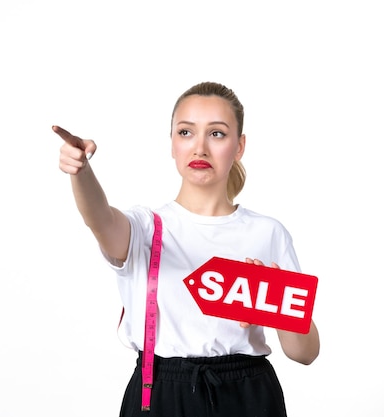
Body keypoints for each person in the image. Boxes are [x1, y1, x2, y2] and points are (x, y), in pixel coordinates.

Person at [52, 81, 320, 417]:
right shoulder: (146, 228)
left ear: (239, 146)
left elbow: (304, 353)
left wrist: (277, 305)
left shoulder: (268, 233)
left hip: (248, 396)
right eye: (186, 132)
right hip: (161, 393)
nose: (200, 148)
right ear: (172, 144)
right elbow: (100, 219)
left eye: (217, 134)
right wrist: (82, 172)